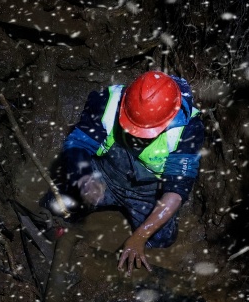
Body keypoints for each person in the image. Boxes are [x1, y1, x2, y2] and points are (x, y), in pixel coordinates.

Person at [42, 70, 204, 273]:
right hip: (104, 175)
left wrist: (139, 237)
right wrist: (84, 178)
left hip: (146, 192)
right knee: (55, 206)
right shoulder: (108, 102)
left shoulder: (189, 129)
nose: (138, 136)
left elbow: (176, 191)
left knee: (162, 239)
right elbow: (77, 143)